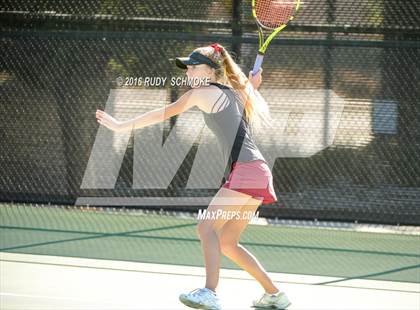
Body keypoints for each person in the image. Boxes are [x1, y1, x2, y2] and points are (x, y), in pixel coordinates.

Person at [96, 43, 291, 310]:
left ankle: (210, 292)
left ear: (211, 72)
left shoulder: (203, 92)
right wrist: (251, 85)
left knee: (206, 227)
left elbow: (162, 114)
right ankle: (274, 294)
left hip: (247, 170)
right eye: (187, 67)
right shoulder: (234, 93)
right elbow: (247, 91)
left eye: (194, 66)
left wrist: (121, 126)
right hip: (257, 171)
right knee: (227, 242)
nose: (188, 71)